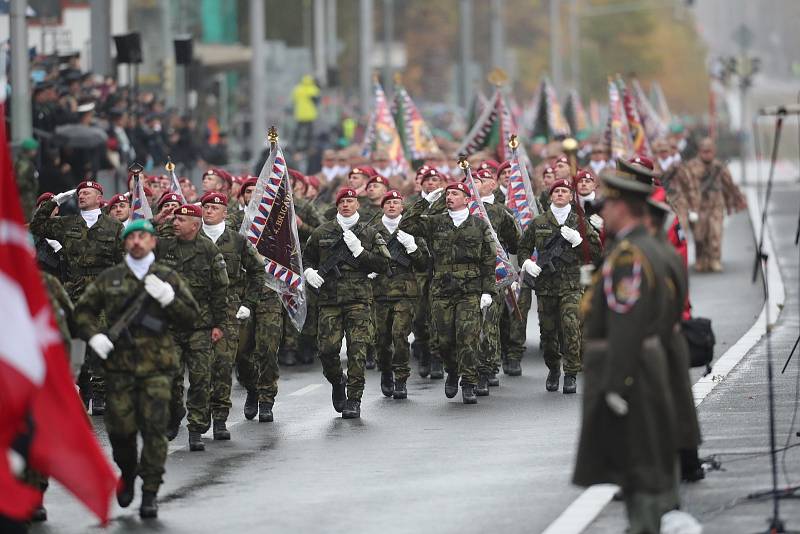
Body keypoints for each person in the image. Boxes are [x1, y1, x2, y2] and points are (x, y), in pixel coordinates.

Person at [573, 170, 679, 534]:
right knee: (651, 459)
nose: (604, 211)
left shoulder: (628, 257)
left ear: (623, 207)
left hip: (634, 371)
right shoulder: (648, 247)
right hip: (650, 363)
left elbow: (627, 324)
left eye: (609, 203)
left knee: (638, 465)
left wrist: (617, 382)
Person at [74, 219, 199, 519]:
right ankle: (128, 472)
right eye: (132, 237)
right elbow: (82, 313)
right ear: (125, 243)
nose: (137, 242)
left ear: (153, 241)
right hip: (120, 370)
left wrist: (169, 299)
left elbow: (191, 318)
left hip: (158, 369)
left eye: (143, 237)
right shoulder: (111, 278)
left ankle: (151, 492)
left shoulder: (167, 276)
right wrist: (95, 336)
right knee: (120, 433)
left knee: (155, 431)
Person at [30, 180, 124, 414]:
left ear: (99, 197)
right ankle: (85, 389)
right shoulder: (67, 224)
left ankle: (101, 394)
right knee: (74, 345)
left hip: (103, 292)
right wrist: (56, 200)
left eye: (87, 193)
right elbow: (37, 226)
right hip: (74, 291)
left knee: (99, 342)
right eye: (80, 193)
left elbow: (123, 262)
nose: (82, 196)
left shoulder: (113, 227)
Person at [400, 181, 495, 404]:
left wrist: (488, 291)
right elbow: (406, 225)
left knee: (467, 337)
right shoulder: (436, 222)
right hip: (442, 289)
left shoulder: (479, 225)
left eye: (455, 193)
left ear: (467, 199)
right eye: (448, 193)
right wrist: (425, 202)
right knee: (444, 340)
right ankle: (452, 371)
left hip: (469, 290)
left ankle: (469, 382)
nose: (449, 197)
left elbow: (488, 260)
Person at [303, 188, 389, 419]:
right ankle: (337, 381)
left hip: (359, 300)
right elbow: (306, 256)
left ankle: (354, 399)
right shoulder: (323, 231)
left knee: (357, 350)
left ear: (357, 204)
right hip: (329, 299)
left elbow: (384, 264)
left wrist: (360, 251)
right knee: (327, 350)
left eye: (350, 201)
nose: (346, 205)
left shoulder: (369, 233)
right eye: (342, 201)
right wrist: (309, 272)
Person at [156, 204, 229, 450]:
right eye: (174, 220)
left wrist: (219, 324)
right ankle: (174, 413)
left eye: (181, 220)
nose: (176, 223)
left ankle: (196, 428)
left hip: (200, 325)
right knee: (170, 378)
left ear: (195, 225)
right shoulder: (163, 247)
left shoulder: (209, 250)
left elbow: (221, 289)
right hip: (170, 324)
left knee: (200, 379)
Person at [518, 178, 601, 394]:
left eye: (565, 191)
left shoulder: (580, 222)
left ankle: (571, 372)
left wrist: (579, 241)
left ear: (571, 197)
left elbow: (597, 252)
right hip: (545, 287)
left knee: (571, 326)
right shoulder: (538, 222)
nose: (560, 194)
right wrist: (527, 263)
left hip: (572, 285)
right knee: (548, 333)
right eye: (557, 191)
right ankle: (554, 368)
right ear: (550, 196)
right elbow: (523, 248)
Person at [200, 192, 265, 439]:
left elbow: (258, 271)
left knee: (224, 364)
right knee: (201, 365)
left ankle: (219, 419)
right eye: (206, 207)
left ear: (225, 213)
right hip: (199, 311)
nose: (209, 211)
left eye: (215, 207)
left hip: (229, 309)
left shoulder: (237, 241)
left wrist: (249, 302)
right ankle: (201, 413)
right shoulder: (193, 238)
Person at [370, 190, 430, 399]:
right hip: (380, 291)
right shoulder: (371, 231)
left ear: (402, 207)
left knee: (400, 335)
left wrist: (412, 247)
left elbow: (423, 264)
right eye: (388, 202)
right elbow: (360, 257)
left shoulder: (411, 230)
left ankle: (401, 378)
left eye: (396, 202)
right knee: (381, 338)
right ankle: (386, 371)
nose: (392, 206)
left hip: (405, 291)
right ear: (383, 207)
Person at [474, 168, 520, 392]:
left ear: (493, 185)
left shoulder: (502, 211)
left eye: (483, 180)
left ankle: (488, 367)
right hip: (468, 275)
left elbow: (514, 243)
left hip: (494, 273)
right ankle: (471, 367)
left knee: (489, 323)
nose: (477, 183)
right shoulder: (465, 209)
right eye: (475, 179)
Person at [684, 137, 747, 272]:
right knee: (699, 235)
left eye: (709, 151)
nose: (707, 154)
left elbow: (730, 185)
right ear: (699, 151)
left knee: (715, 232)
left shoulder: (719, 166)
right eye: (704, 151)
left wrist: (737, 200)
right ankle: (700, 259)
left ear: (714, 151)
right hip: (697, 206)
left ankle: (715, 259)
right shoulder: (691, 166)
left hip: (716, 205)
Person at [14, 137, 40, 223]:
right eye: (34, 150)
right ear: (29, 150)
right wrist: (30, 185)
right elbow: (20, 182)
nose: (36, 152)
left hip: (28, 199)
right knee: (26, 222)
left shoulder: (25, 162)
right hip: (25, 200)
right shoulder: (24, 164)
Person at [291, 75, 320, 150]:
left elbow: (293, 100)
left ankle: (294, 145)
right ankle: (309, 146)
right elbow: (317, 101)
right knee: (310, 132)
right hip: (310, 114)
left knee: (298, 131)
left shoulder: (297, 89)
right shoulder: (313, 89)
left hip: (300, 114)